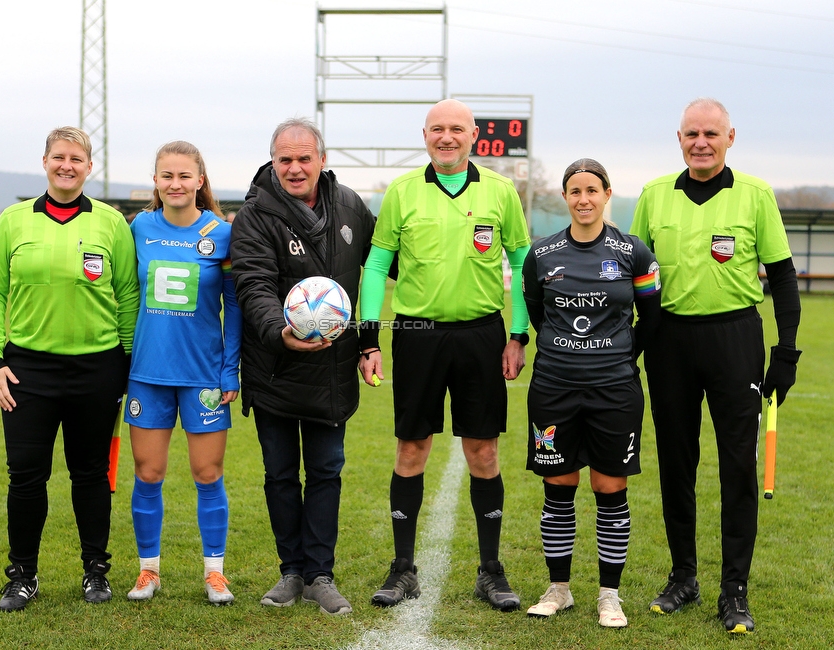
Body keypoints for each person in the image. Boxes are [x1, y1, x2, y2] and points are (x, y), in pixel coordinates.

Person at [630, 98, 802, 634]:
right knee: (676, 465)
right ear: (677, 138)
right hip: (669, 342)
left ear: (731, 137)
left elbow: (783, 277)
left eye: (711, 133)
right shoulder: (655, 195)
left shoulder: (756, 195)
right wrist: (627, 347)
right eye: (691, 134)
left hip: (735, 340)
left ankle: (734, 590)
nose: (700, 142)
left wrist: (786, 352)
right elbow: (635, 275)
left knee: (737, 469)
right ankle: (683, 577)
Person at [359, 98, 531, 612]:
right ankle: (402, 569)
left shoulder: (501, 192)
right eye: (438, 129)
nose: (447, 137)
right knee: (411, 449)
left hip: (481, 335)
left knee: (483, 451)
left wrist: (518, 334)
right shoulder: (403, 192)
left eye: (457, 128)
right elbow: (375, 264)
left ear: (474, 134)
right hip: (417, 334)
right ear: (425, 134)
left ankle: (491, 571)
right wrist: (369, 340)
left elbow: (521, 263)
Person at [0, 126, 140, 612]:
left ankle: (96, 571)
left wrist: (127, 363)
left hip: (98, 369)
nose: (67, 165)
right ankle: (23, 575)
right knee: (26, 476)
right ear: (44, 161)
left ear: (90, 167)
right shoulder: (12, 220)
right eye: (58, 157)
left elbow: (128, 294)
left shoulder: (111, 224)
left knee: (90, 474)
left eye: (77, 159)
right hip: (28, 372)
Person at [229, 118, 376, 616]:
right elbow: (253, 284)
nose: (294, 168)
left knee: (327, 470)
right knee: (280, 474)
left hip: (331, 370)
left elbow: (380, 270)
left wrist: (370, 340)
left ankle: (320, 574)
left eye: (303, 158)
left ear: (322, 159)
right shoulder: (253, 216)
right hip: (274, 365)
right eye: (285, 159)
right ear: (273, 162)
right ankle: (291, 570)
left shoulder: (352, 206)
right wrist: (281, 332)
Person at [522, 159, 661, 628]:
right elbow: (539, 315)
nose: (584, 199)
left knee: (610, 488)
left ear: (606, 194)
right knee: (559, 488)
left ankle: (609, 595)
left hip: (614, 390)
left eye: (592, 190)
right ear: (565, 197)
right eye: (574, 191)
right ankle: (558, 588)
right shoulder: (542, 254)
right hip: (554, 388)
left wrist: (617, 357)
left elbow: (652, 319)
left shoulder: (633, 252)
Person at [122, 141, 241, 605]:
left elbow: (235, 308)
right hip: (147, 374)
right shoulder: (138, 228)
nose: (175, 184)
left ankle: (215, 573)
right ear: (156, 181)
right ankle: (147, 571)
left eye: (184, 176)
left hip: (204, 375)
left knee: (207, 473)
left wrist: (229, 370)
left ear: (200, 181)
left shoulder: (222, 234)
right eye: (166, 175)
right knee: (148, 473)